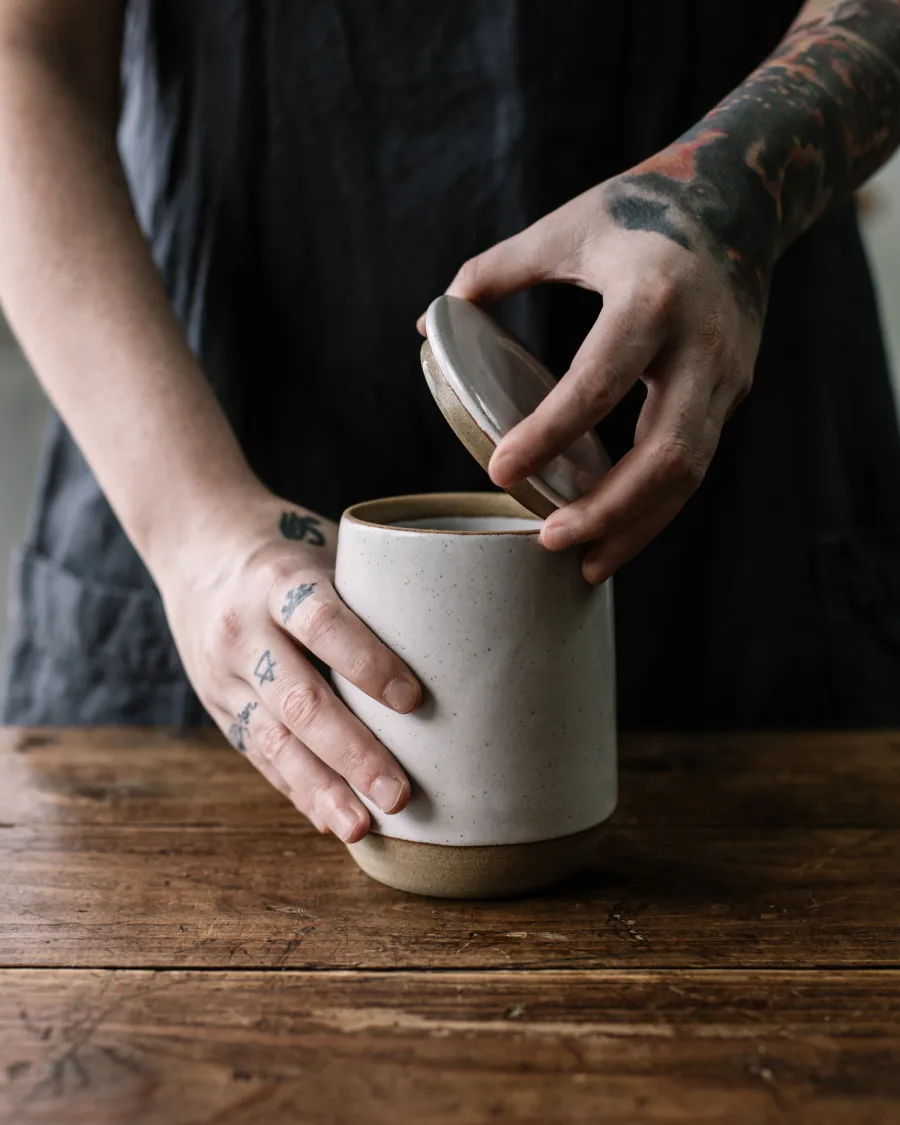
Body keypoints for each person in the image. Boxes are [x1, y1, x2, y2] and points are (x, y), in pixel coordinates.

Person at [0, 0, 899, 843]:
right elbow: (23, 46)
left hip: (747, 505)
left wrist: (736, 182)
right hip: (192, 454)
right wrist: (195, 533)